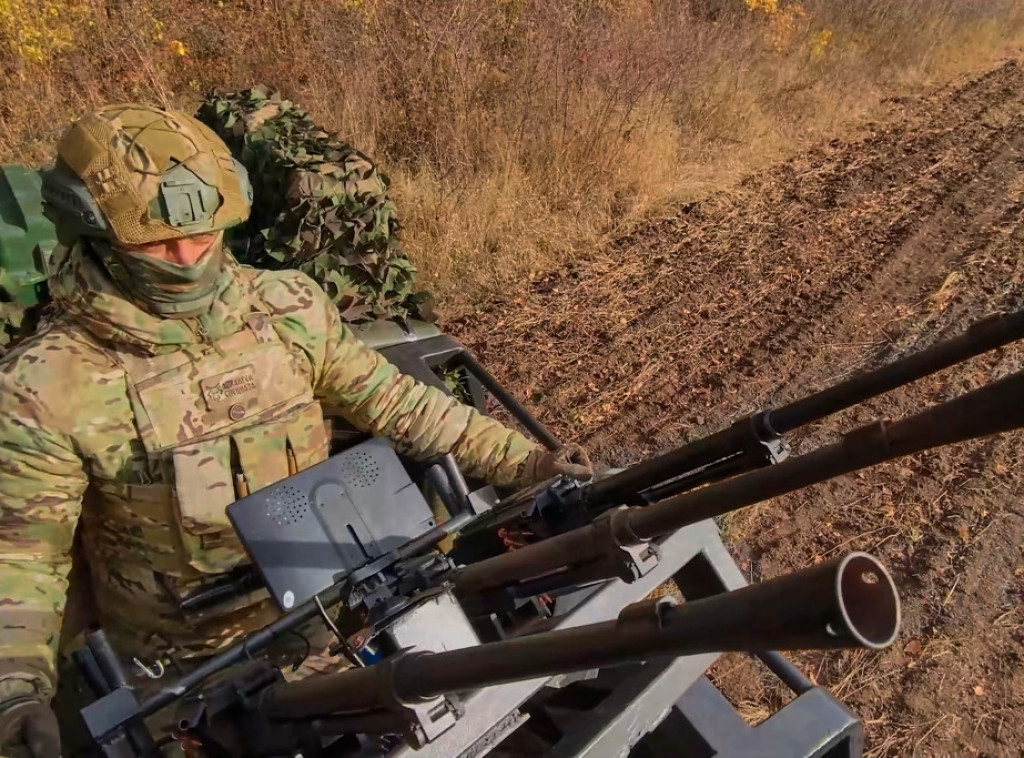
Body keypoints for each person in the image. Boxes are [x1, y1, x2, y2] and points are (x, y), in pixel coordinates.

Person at [0, 105, 592, 756]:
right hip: (186, 694)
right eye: (158, 244)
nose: (188, 257)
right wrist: (16, 696)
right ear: (94, 233)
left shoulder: (288, 309)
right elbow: (23, 560)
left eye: (203, 235)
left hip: (327, 630)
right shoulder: (47, 386)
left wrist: (526, 463)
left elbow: (401, 404)